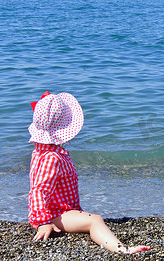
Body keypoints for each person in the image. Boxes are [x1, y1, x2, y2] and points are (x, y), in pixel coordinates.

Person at [28, 91, 151, 254]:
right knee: (95, 220)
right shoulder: (52, 158)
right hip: (53, 215)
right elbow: (38, 190)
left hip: (57, 211)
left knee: (89, 219)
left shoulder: (42, 152)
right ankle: (122, 249)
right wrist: (43, 222)